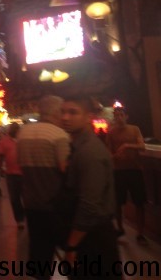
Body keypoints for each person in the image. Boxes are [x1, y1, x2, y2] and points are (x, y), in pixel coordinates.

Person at [61, 96, 121, 280]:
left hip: (94, 238)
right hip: (90, 235)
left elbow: (89, 205)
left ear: (88, 117)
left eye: (73, 112)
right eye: (63, 112)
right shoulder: (79, 147)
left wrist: (72, 245)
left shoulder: (89, 152)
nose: (65, 117)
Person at [17, 95, 69, 278]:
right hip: (55, 204)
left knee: (40, 252)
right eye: (63, 112)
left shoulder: (23, 134)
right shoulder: (59, 135)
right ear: (56, 112)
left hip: (31, 203)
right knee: (70, 249)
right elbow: (65, 168)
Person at [106, 106, 148, 244]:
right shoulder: (111, 133)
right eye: (116, 115)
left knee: (139, 203)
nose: (119, 117)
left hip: (135, 170)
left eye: (121, 114)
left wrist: (126, 146)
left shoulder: (134, 129)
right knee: (118, 203)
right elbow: (108, 153)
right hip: (119, 171)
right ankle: (120, 228)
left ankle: (140, 233)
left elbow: (142, 146)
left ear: (126, 116)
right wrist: (114, 156)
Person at [0, 123, 24, 228]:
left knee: (25, 197)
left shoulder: (23, 140)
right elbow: (0, 155)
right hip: (11, 174)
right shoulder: (4, 141)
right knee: (14, 198)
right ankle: (19, 219)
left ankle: (24, 215)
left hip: (24, 173)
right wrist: (0, 168)